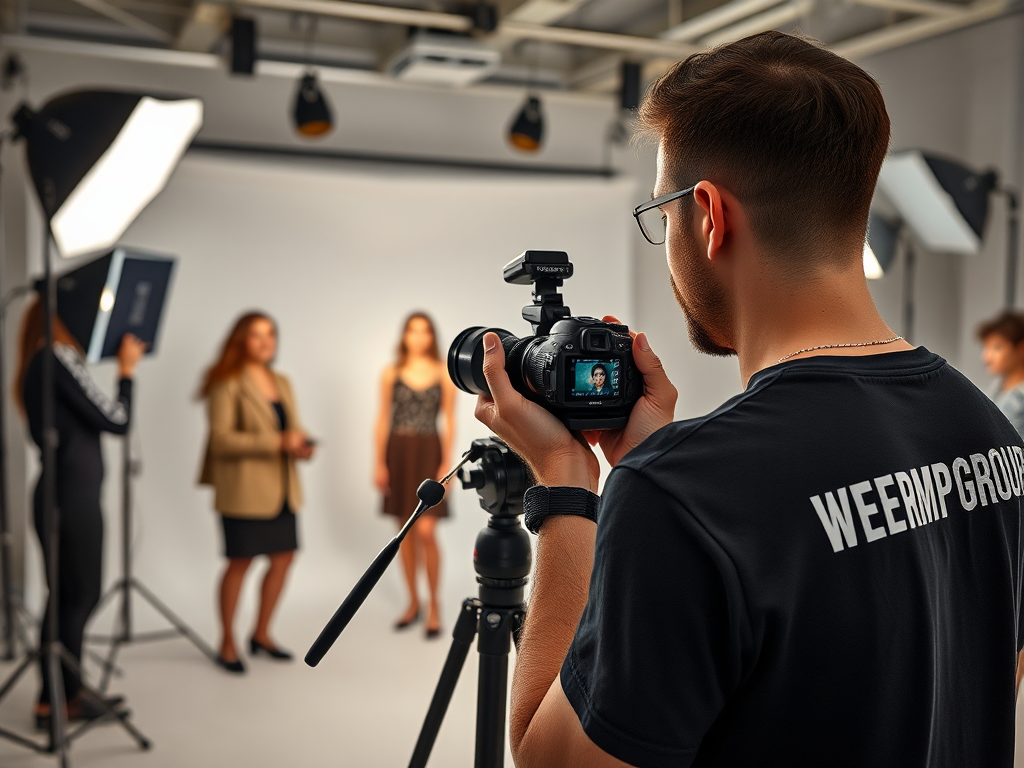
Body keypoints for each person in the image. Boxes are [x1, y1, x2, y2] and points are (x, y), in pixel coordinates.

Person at [472, 32, 1024, 767]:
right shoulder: (989, 432)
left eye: (662, 216)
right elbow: (979, 677)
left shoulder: (683, 494)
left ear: (708, 214)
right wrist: (657, 477)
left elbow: (552, 761)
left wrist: (568, 497)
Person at [16, 296, 146, 728]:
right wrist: (127, 372)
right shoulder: (56, 355)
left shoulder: (42, 361)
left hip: (66, 494)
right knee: (78, 597)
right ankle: (61, 699)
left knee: (68, 597)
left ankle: (56, 696)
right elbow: (117, 419)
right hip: (68, 497)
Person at [198, 312, 314, 673]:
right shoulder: (226, 381)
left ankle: (261, 634)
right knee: (240, 562)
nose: (265, 342)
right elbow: (220, 441)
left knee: (283, 559)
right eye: (255, 335)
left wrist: (300, 444)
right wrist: (278, 441)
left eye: (270, 334)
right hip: (244, 490)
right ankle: (228, 640)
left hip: (282, 488)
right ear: (240, 340)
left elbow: (291, 427)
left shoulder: (282, 380)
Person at [374, 312, 455, 639]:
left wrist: (446, 465)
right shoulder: (390, 372)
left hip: (429, 453)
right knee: (403, 534)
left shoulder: (442, 373)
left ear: (431, 336)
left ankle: (434, 604)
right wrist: (379, 463)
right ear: (404, 336)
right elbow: (382, 419)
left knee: (426, 532)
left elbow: (449, 420)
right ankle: (412, 602)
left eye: (424, 332)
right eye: (412, 331)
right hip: (399, 452)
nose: (418, 337)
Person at [978, 311, 1024, 436]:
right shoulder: (995, 389)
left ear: (1021, 348)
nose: (987, 357)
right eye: (986, 348)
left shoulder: (1020, 398)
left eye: (997, 348)